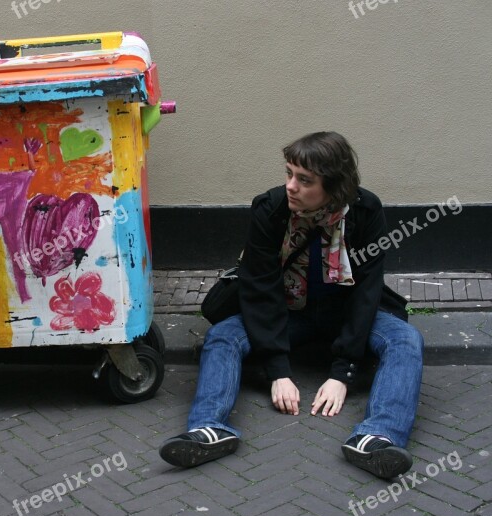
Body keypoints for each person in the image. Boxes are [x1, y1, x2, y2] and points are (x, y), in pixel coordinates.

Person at [159, 131, 423, 479]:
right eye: (289, 174)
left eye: (304, 180)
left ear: (334, 185)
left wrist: (343, 372)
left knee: (405, 340)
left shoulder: (365, 211)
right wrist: (278, 370)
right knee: (222, 336)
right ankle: (208, 429)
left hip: (342, 315)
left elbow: (366, 292)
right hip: (286, 313)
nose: (290, 186)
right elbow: (259, 290)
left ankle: (378, 437)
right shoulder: (269, 209)